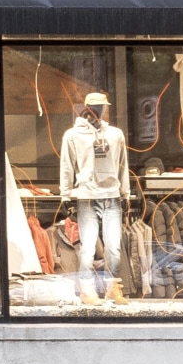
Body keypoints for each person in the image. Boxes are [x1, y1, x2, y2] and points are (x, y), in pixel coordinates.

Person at [60, 91, 131, 303]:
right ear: (87, 108)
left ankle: (113, 288)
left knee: (114, 247)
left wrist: (125, 193)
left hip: (111, 195)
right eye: (96, 106)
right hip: (87, 196)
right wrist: (65, 194)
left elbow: (122, 165)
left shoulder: (115, 134)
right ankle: (87, 290)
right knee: (88, 247)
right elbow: (66, 166)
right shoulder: (73, 135)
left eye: (103, 106)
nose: (100, 110)